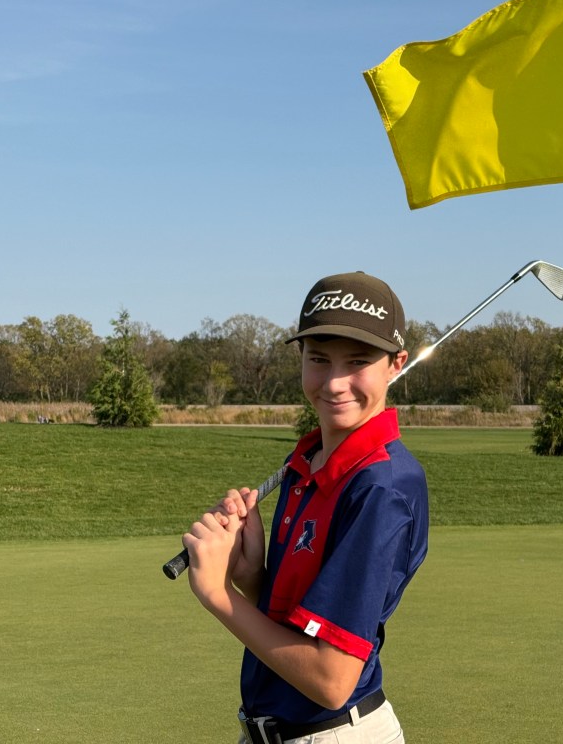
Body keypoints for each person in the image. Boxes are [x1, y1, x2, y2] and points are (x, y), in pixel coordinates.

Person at [182, 271, 429, 744]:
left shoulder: (382, 487)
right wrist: (254, 580)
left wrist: (218, 595)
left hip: (333, 733)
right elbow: (297, 623)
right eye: (319, 359)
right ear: (301, 358)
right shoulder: (307, 464)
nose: (335, 383)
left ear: (396, 364)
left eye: (358, 361)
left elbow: (331, 680)